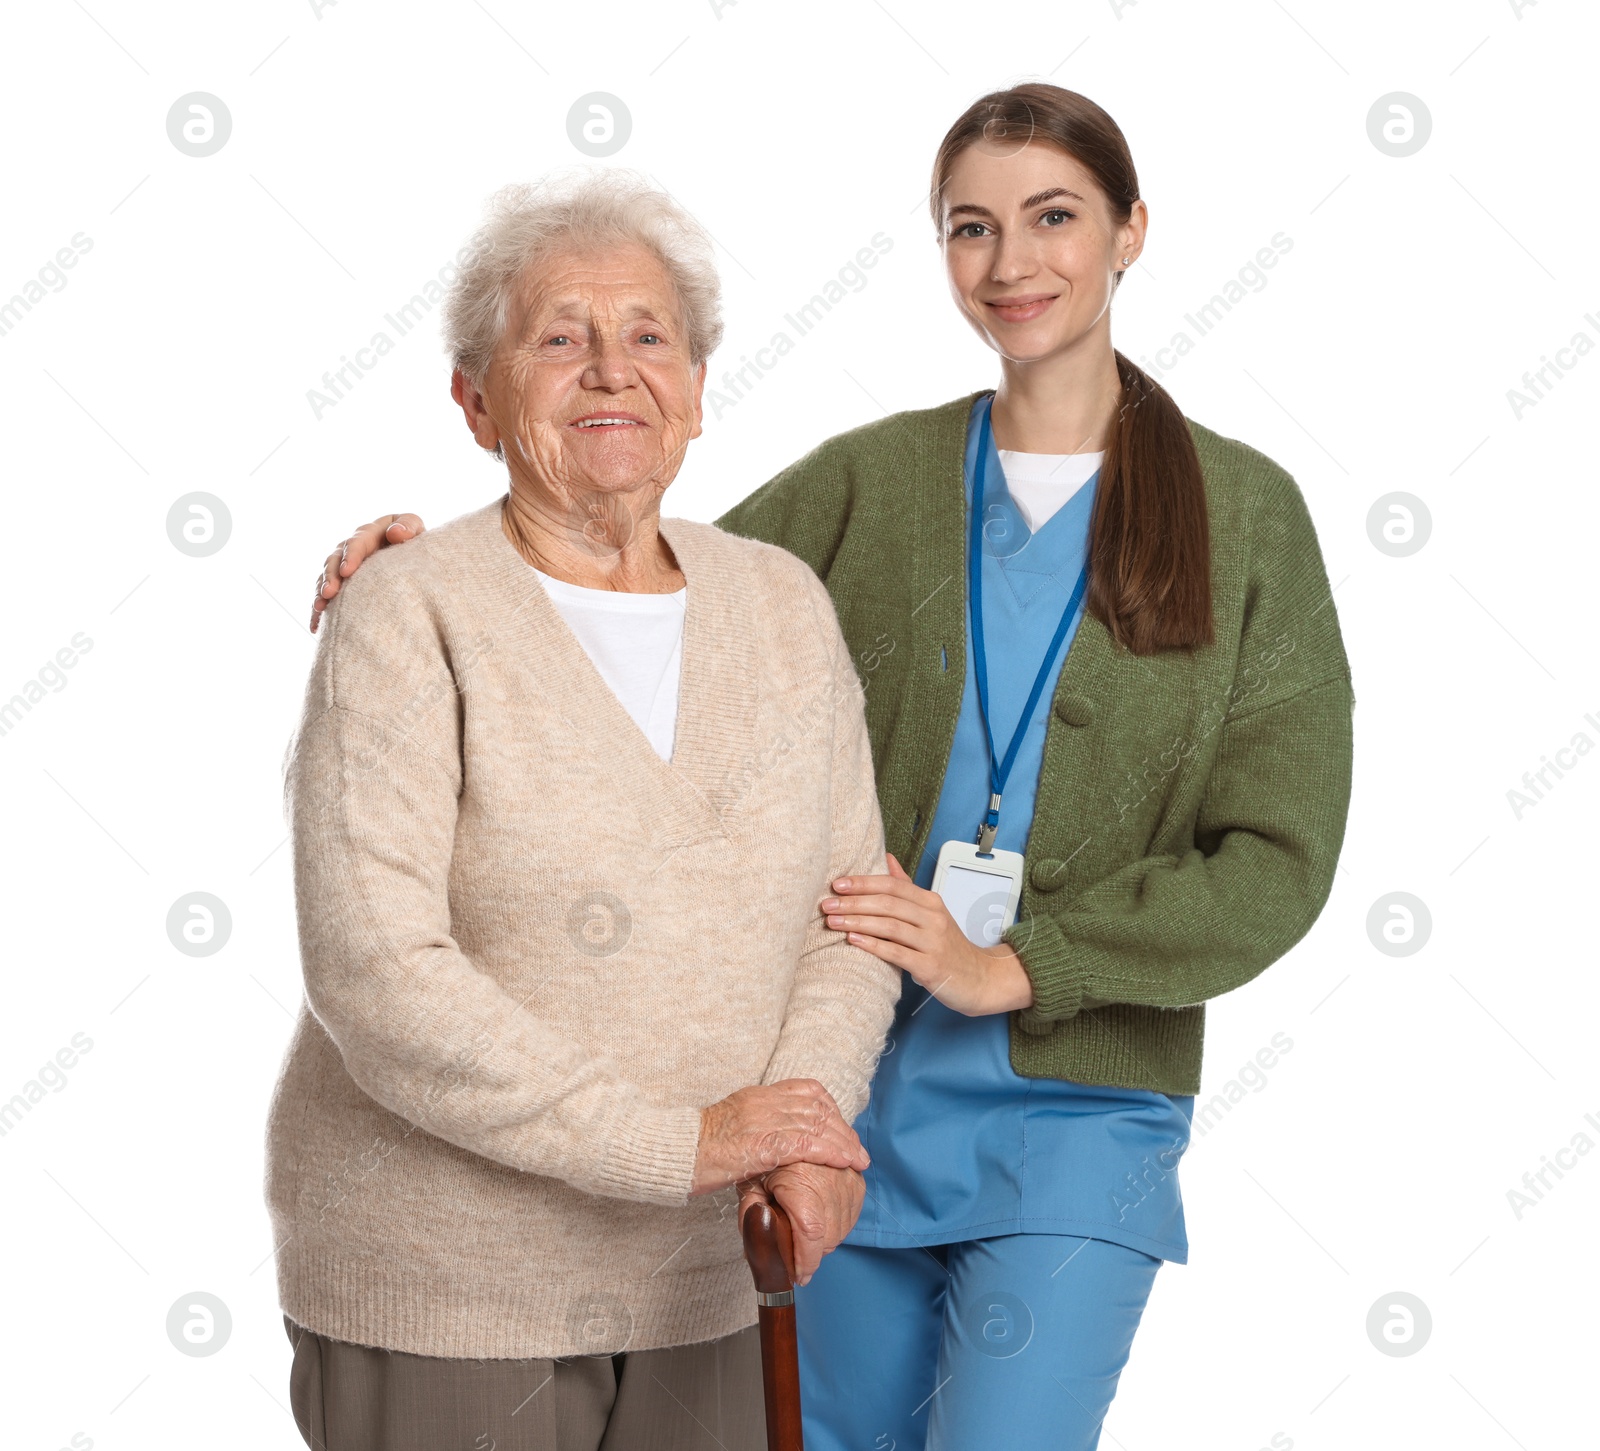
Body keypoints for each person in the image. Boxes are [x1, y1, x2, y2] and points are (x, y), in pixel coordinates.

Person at [311, 84, 1354, 1451]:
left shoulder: (1247, 512)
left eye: (1054, 217)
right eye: (970, 227)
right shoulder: (877, 479)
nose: (1012, 262)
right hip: (839, 1102)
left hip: (1077, 1109)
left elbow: (1277, 857)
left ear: (1131, 232)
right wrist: (428, 567)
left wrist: (1024, 960)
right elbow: (618, 576)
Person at [268, 170, 902, 1451]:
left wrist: (799, 1126)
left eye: (648, 336)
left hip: (711, 1271)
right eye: (559, 337)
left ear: (698, 393)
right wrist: (677, 1141)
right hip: (449, 1286)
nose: (612, 369)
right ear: (476, 400)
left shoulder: (781, 604)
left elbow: (847, 915)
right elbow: (377, 970)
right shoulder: (412, 610)